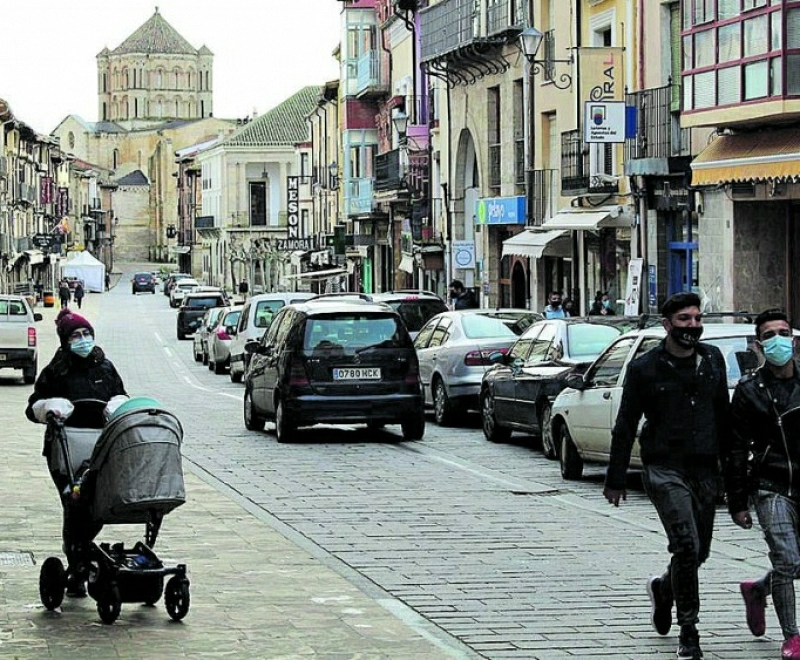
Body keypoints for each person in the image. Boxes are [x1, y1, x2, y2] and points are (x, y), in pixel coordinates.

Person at [603, 291, 731, 660]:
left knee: (699, 551)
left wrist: (732, 474)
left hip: (705, 468)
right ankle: (689, 631)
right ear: (667, 325)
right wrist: (614, 478)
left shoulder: (712, 360)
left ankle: (663, 588)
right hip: (664, 468)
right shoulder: (645, 368)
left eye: (696, 319)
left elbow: (722, 416)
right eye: (684, 320)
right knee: (686, 545)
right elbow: (625, 423)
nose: (692, 326)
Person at [25, 308, 127, 598]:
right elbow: (34, 405)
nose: (83, 340)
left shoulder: (105, 367)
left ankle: (81, 554)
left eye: (86, 334)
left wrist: (118, 406)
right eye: (76, 336)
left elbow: (121, 396)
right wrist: (49, 409)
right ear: (66, 341)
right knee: (75, 504)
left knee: (97, 508)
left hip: (101, 448)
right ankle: (76, 565)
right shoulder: (56, 370)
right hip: (65, 449)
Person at [726, 309, 800, 659]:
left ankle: (759, 590)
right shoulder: (748, 390)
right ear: (759, 344)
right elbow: (735, 448)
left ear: (794, 338)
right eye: (769, 335)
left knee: (796, 562)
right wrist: (738, 501)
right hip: (771, 483)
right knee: (787, 558)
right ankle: (793, 637)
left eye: (782, 332)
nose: (777, 340)